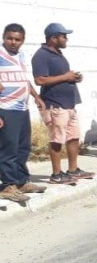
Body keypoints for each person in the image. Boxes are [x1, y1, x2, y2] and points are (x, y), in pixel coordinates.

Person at [31, 23, 94, 185]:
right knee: (57, 139)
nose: (66, 39)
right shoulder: (41, 55)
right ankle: (56, 174)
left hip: (69, 103)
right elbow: (39, 80)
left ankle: (73, 169)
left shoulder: (57, 53)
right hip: (55, 104)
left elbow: (62, 76)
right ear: (53, 38)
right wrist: (66, 77)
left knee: (73, 137)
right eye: (64, 36)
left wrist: (73, 77)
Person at [0, 23, 46, 202]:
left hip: (21, 108)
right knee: (8, 148)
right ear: (3, 37)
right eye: (10, 38)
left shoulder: (20, 55)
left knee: (23, 147)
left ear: (23, 41)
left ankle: (20, 181)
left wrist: (36, 97)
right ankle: (7, 186)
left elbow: (23, 79)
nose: (13, 42)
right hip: (5, 108)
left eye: (17, 39)